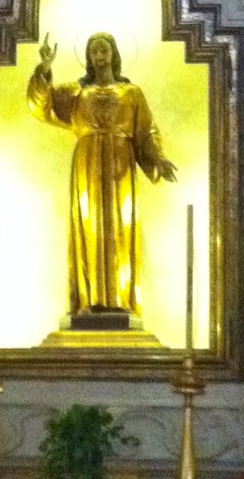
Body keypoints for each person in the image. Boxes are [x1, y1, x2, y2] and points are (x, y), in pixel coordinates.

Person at [27, 31, 176, 321]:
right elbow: (40, 105)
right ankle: (88, 298)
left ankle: (121, 299)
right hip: (87, 165)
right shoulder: (76, 93)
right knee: (88, 224)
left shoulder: (131, 93)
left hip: (121, 164)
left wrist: (158, 159)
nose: (99, 54)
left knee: (121, 225)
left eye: (103, 48)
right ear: (88, 57)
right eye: (93, 50)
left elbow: (146, 132)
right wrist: (44, 68)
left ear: (114, 53)